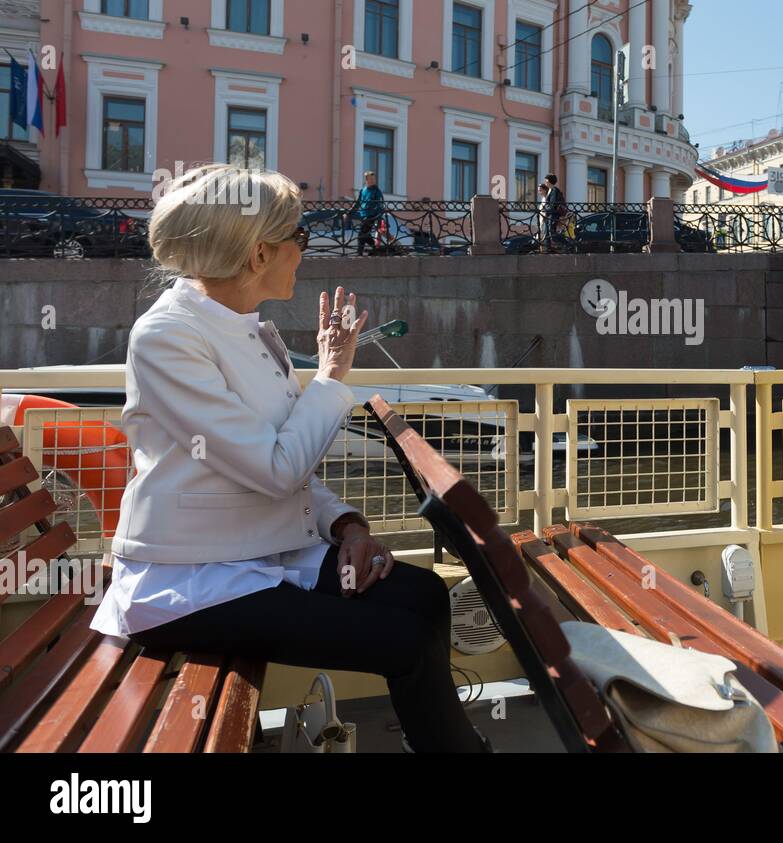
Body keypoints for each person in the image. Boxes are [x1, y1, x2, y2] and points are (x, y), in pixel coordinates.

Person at [89, 163, 488, 753]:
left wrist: (345, 525)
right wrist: (329, 377)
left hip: (259, 548)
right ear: (257, 255)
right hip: (189, 582)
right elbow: (276, 468)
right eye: (298, 238)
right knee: (402, 641)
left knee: (426, 594)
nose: (305, 251)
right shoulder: (168, 337)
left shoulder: (240, 325)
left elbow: (277, 461)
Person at [352, 170, 385, 256]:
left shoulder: (376, 191)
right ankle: (377, 250)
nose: (373, 181)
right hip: (363, 216)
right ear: (366, 179)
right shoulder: (363, 190)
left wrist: (378, 218)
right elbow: (358, 203)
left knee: (361, 235)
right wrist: (349, 213)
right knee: (366, 235)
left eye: (374, 179)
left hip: (371, 216)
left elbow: (380, 205)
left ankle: (359, 253)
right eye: (371, 179)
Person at [542, 173, 568, 252]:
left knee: (552, 234)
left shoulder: (554, 190)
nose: (545, 181)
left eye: (545, 179)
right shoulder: (550, 190)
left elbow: (552, 205)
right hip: (549, 215)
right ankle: (547, 249)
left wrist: (544, 208)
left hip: (553, 215)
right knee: (547, 233)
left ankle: (568, 244)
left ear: (548, 180)